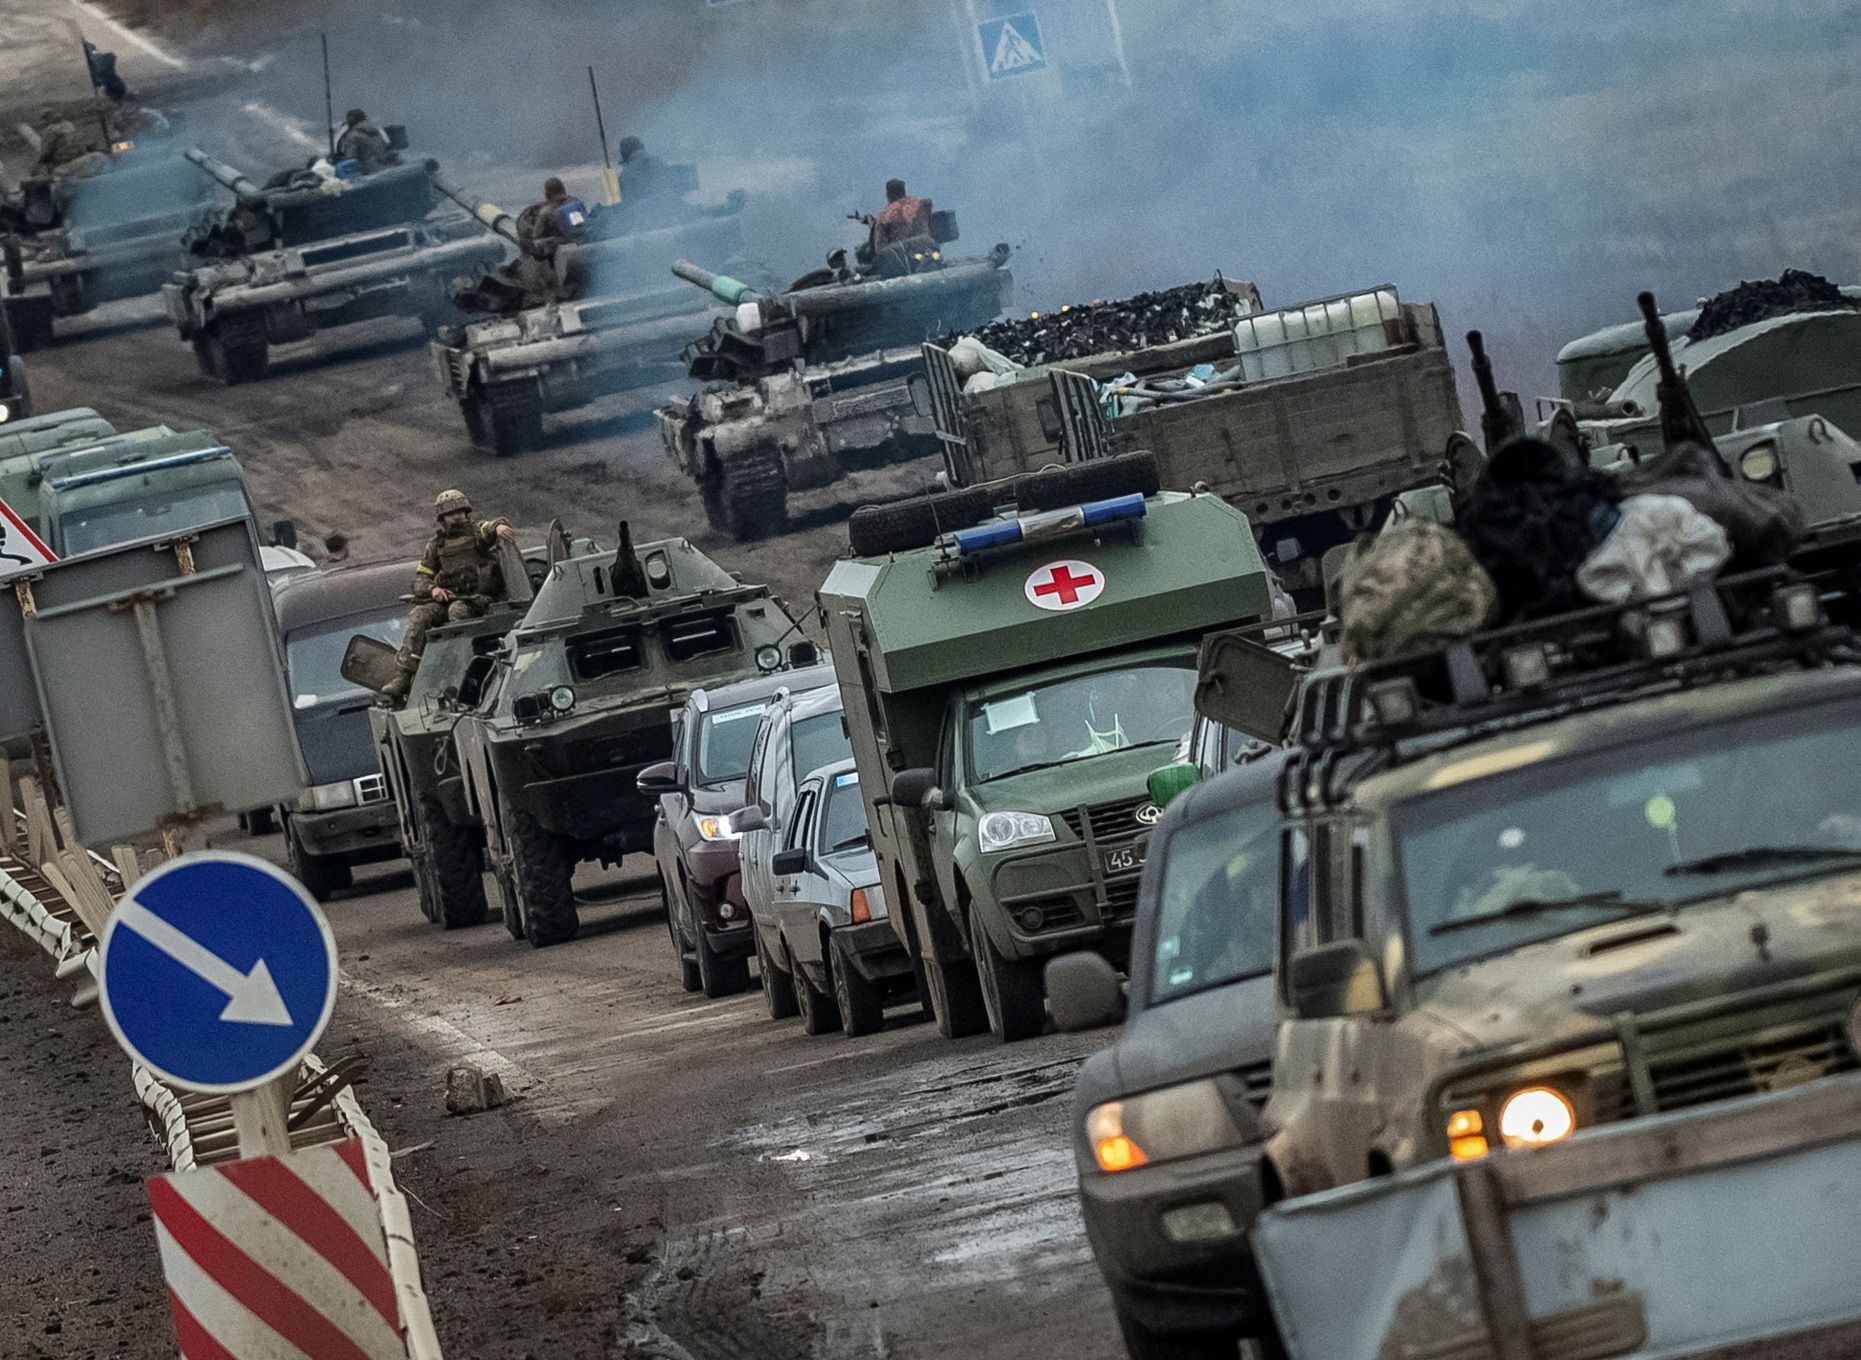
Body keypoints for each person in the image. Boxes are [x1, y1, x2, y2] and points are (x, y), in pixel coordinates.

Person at [385, 490, 517, 699]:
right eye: (450, 514)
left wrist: (499, 527)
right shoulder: (436, 546)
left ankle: (464, 670)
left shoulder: (476, 534)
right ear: (442, 519)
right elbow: (419, 579)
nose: (456, 517)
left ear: (466, 513)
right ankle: (404, 674)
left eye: (459, 512)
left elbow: (489, 527)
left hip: (479, 600)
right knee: (419, 616)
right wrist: (433, 590)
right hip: (447, 599)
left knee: (458, 612)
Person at [864, 178, 933, 251]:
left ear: (888, 195)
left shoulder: (885, 215)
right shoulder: (922, 204)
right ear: (904, 192)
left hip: (902, 256)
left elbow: (880, 247)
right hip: (925, 249)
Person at [31, 107, 89, 178]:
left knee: (44, 168)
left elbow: (45, 153)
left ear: (47, 118)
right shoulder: (69, 124)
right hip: (79, 157)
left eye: (43, 119)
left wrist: (37, 165)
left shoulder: (49, 130)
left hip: (62, 163)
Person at [334, 109, 392, 173]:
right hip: (382, 167)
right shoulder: (375, 131)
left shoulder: (353, 135)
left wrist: (337, 159)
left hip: (367, 172)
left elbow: (351, 158)